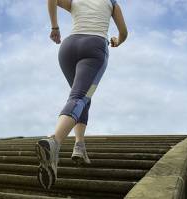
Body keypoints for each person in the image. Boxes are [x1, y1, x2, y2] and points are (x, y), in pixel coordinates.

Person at [35, 0, 128, 189]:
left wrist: (55, 27)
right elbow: (124, 32)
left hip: (68, 48)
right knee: (79, 97)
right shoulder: (112, 2)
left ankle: (79, 145)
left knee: (83, 98)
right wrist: (118, 41)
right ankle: (54, 142)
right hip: (94, 47)